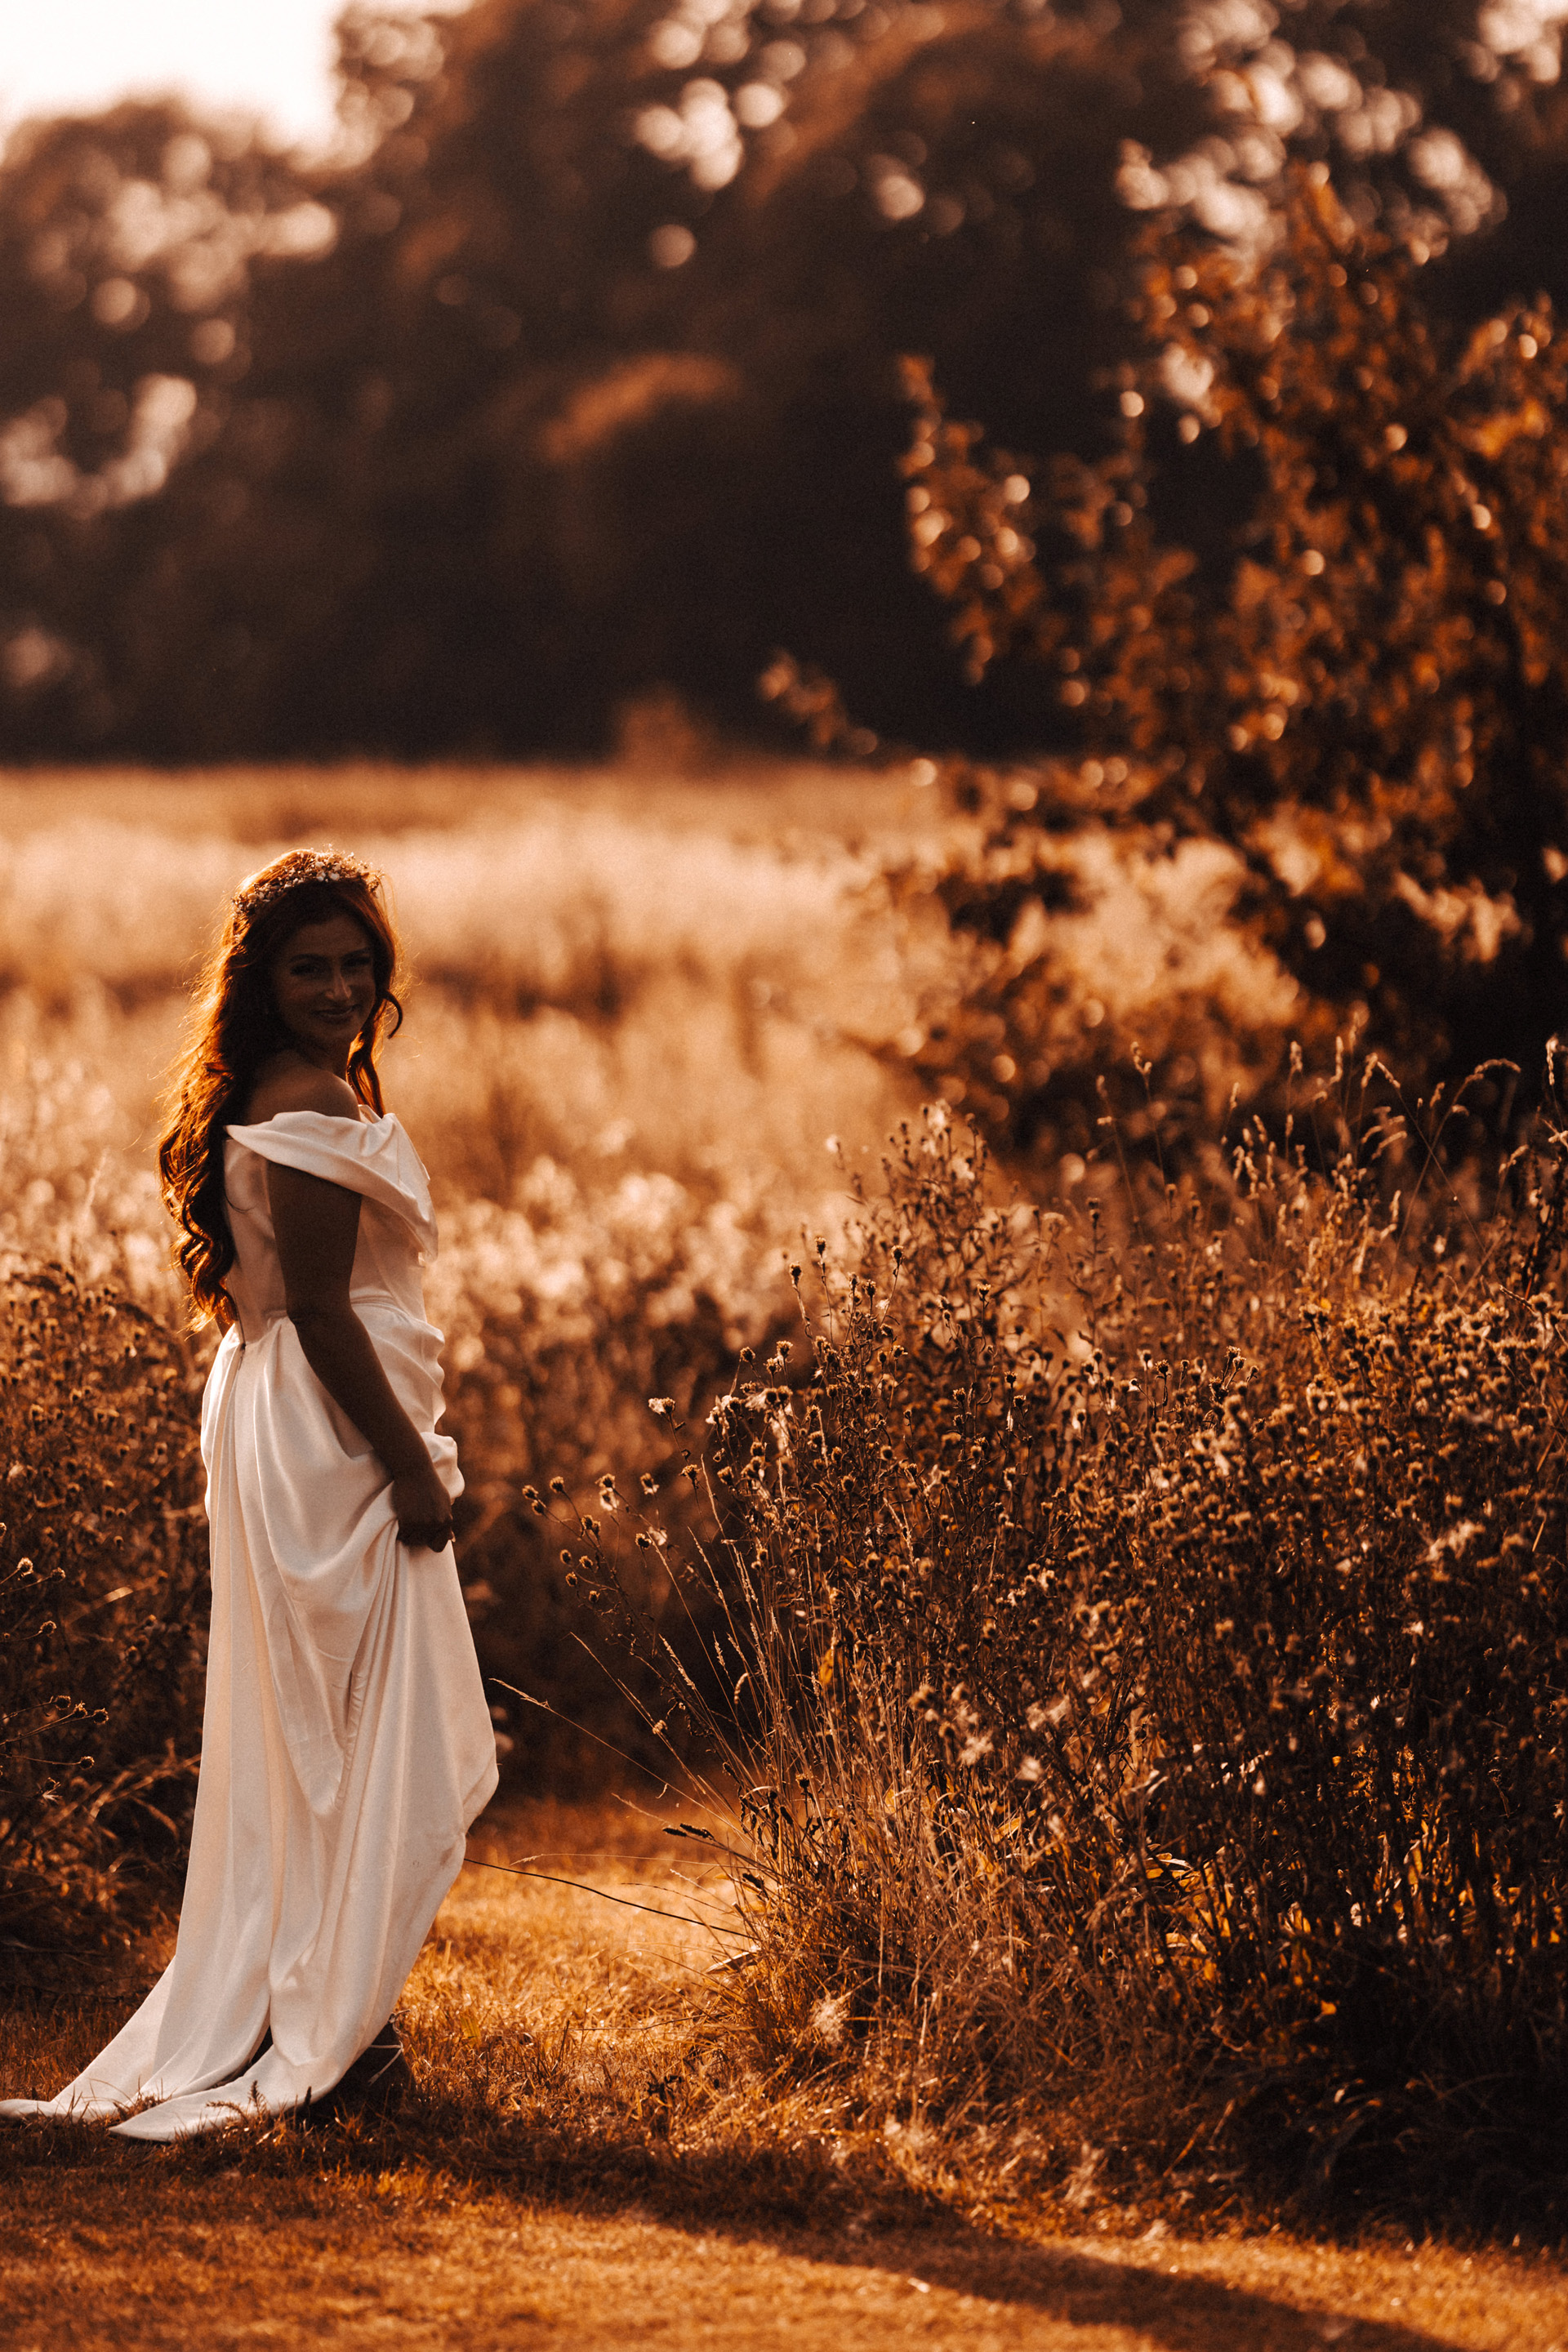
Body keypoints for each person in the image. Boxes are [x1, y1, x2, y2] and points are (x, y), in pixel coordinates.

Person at [1, 849, 497, 2140]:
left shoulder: (280, 1087)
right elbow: (325, 1311)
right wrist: (408, 1463)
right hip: (328, 1428)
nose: (339, 988)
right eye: (308, 967)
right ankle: (340, 2032)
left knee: (317, 1721)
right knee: (348, 1724)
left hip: (282, 1406)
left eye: (356, 964)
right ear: (262, 981)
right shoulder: (313, 1102)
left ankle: (334, 2018)